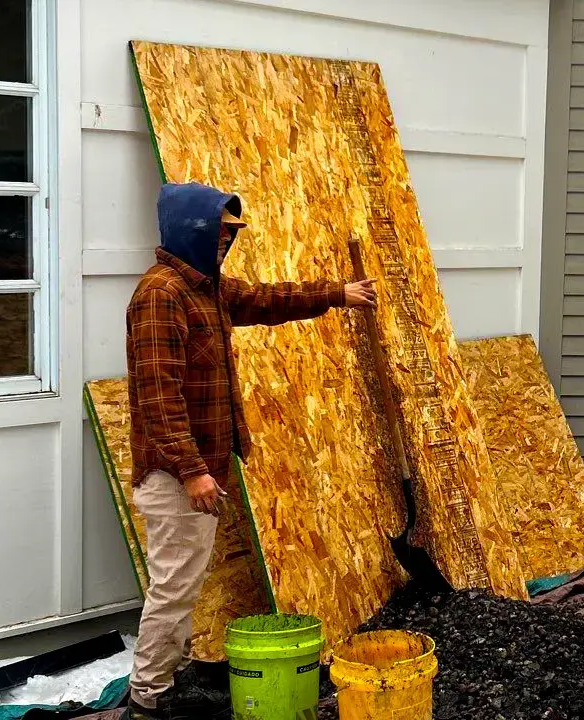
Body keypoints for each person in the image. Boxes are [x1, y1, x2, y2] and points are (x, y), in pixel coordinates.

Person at [124, 182, 377, 719]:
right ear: (190, 230)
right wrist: (193, 472)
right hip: (173, 475)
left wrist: (338, 294)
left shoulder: (205, 288)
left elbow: (267, 299)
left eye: (230, 236)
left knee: (183, 580)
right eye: (218, 234)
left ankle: (164, 682)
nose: (224, 244)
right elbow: (158, 399)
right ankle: (148, 701)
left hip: (195, 469)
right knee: (173, 585)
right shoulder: (160, 296)